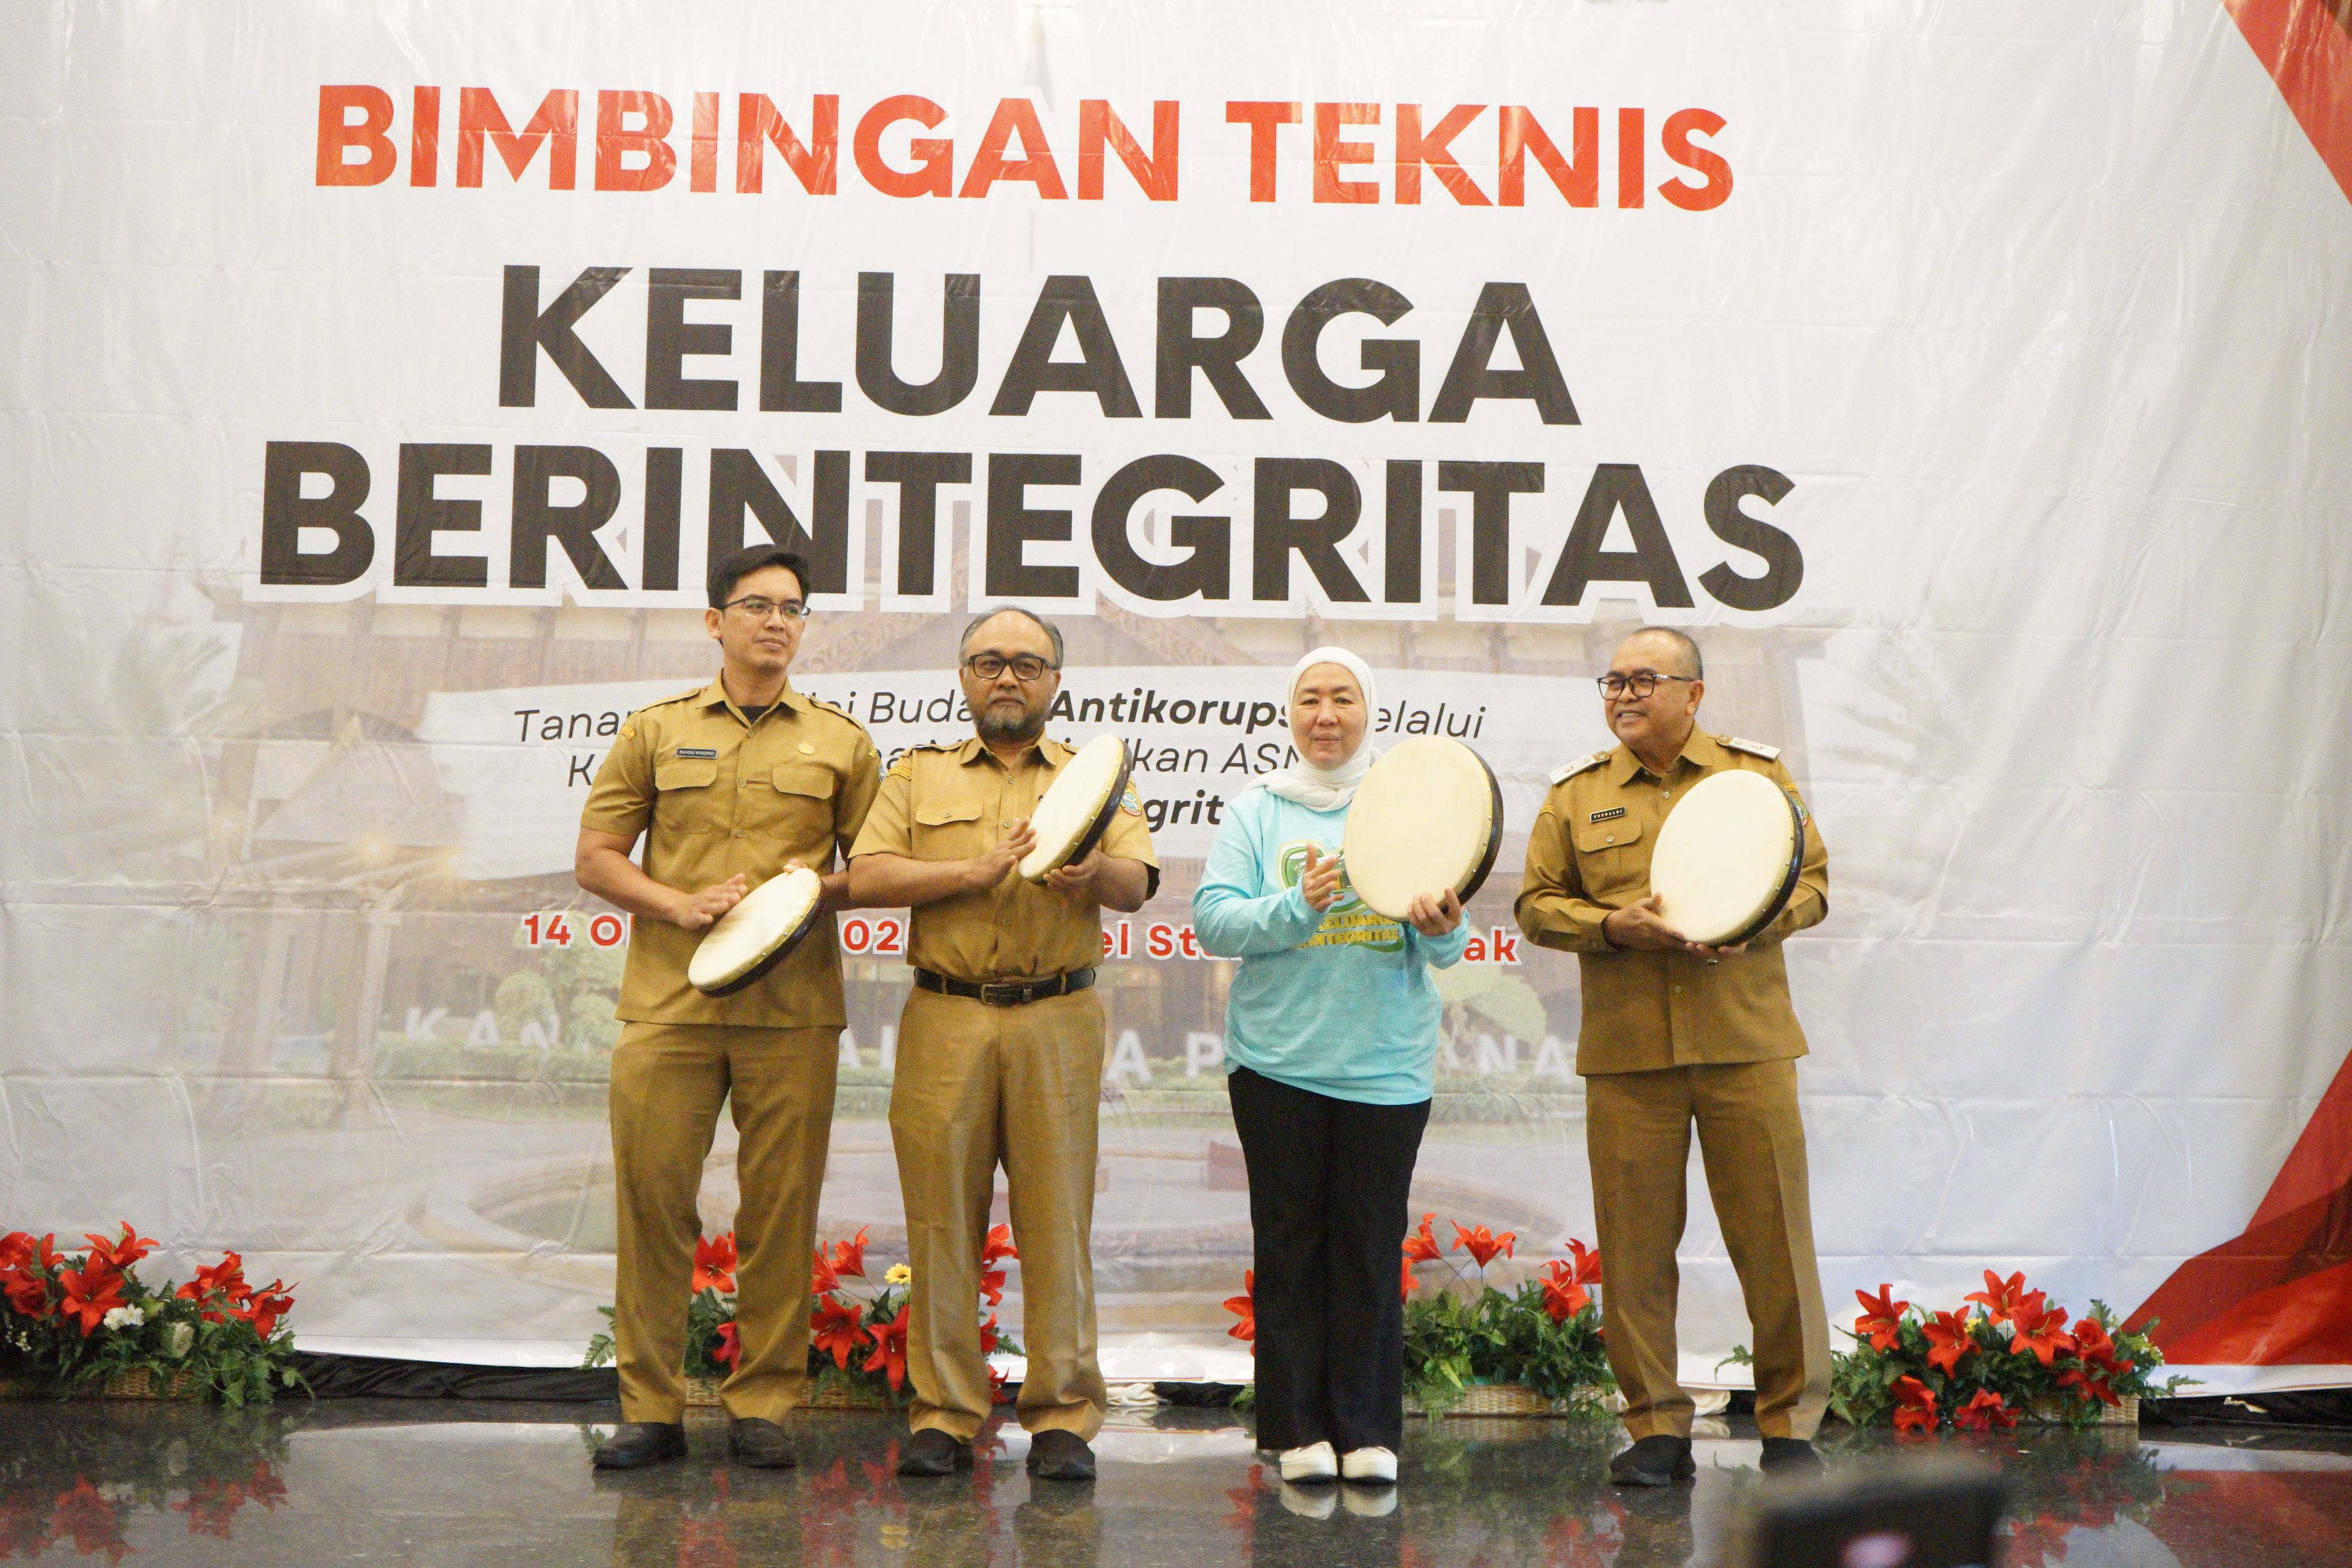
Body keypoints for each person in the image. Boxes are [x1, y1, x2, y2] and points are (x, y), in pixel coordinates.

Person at [573, 544, 881, 1471]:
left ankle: (765, 1407)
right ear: (716, 622)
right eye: (756, 606)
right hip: (668, 1006)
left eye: (793, 608)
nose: (777, 622)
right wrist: (677, 906)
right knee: (654, 1204)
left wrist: (806, 893)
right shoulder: (657, 732)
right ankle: (652, 1408)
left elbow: (872, 867)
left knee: (779, 1214)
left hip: (792, 1014)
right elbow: (596, 857)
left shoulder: (841, 742)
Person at [1515, 626, 1832, 1484]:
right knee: (1634, 1249)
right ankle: (1656, 1429)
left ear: (1694, 693)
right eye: (1611, 681)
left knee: (1775, 1240)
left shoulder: (1756, 778)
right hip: (1628, 1057)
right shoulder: (1575, 795)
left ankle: (1791, 1425)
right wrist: (1611, 926)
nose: (1623, 694)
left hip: (1746, 1044)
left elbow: (1814, 883)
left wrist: (1758, 920)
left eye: (1643, 679)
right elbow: (1536, 905)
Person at [846, 608, 1157, 1483]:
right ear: (963, 677)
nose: (1007, 678)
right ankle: (944, 1413)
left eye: (1028, 663)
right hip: (947, 1014)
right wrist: (969, 871)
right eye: (989, 662)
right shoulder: (916, 773)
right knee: (942, 1218)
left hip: (1058, 1014)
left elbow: (1138, 880)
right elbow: (867, 874)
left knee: (1058, 1218)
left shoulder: (1094, 777)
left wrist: (1094, 871)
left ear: (1057, 681)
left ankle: (1062, 1416)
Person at [1193, 647, 1468, 1488]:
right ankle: (1295, 1431)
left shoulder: (1409, 808)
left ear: (1368, 712)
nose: (1325, 715)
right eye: (1309, 699)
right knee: (1289, 1248)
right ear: (1290, 713)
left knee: (1367, 1247)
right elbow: (1214, 922)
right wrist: (1295, 904)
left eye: (1343, 699)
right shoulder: (1258, 812)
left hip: (1385, 1071)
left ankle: (1368, 1430)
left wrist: (1441, 921)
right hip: (1277, 1066)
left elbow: (1447, 947)